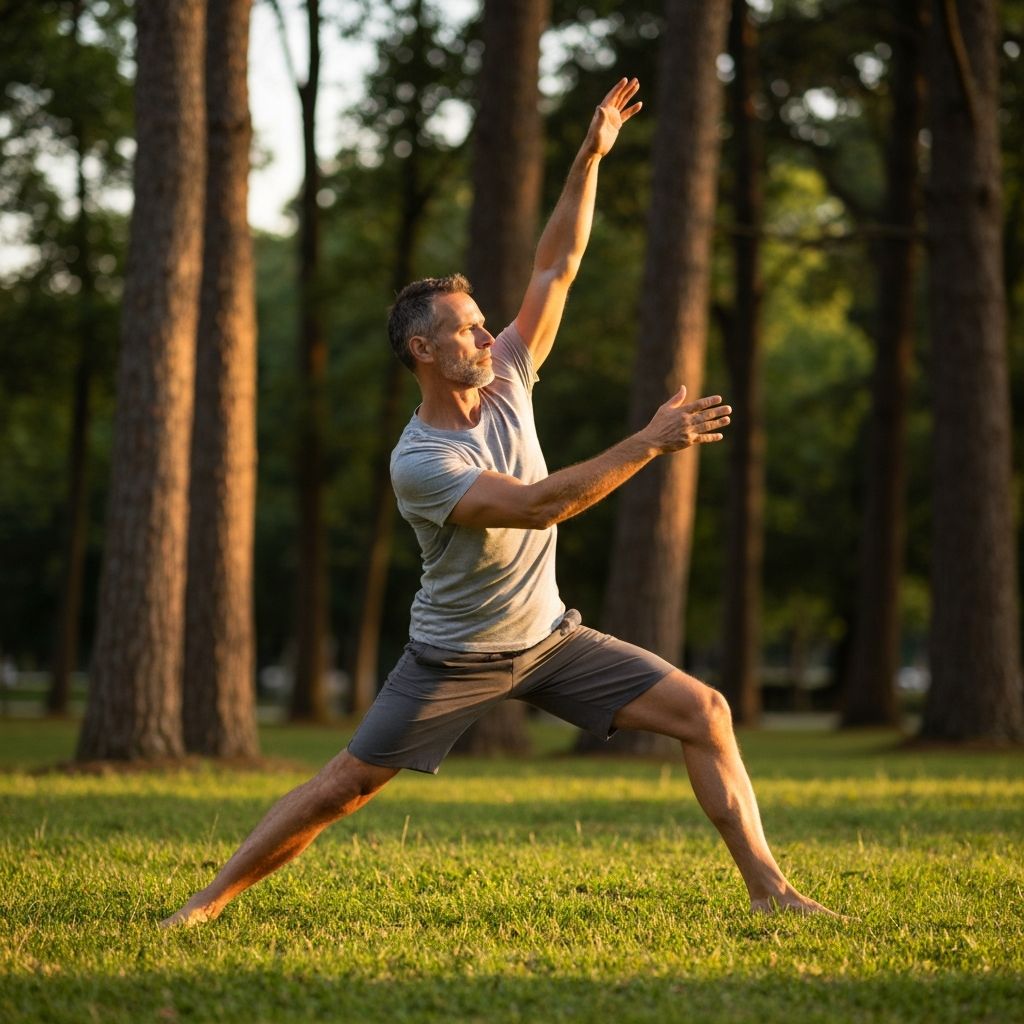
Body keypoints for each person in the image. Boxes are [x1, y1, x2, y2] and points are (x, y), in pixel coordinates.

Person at [162, 78, 833, 927]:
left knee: (706, 711)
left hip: (552, 639)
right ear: (424, 351)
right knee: (344, 789)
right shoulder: (423, 461)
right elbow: (540, 505)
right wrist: (649, 442)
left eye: (485, 323)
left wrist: (589, 158)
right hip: (455, 658)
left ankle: (773, 893)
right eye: (469, 329)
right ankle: (206, 902)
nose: (490, 334)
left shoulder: (509, 374)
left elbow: (558, 263)